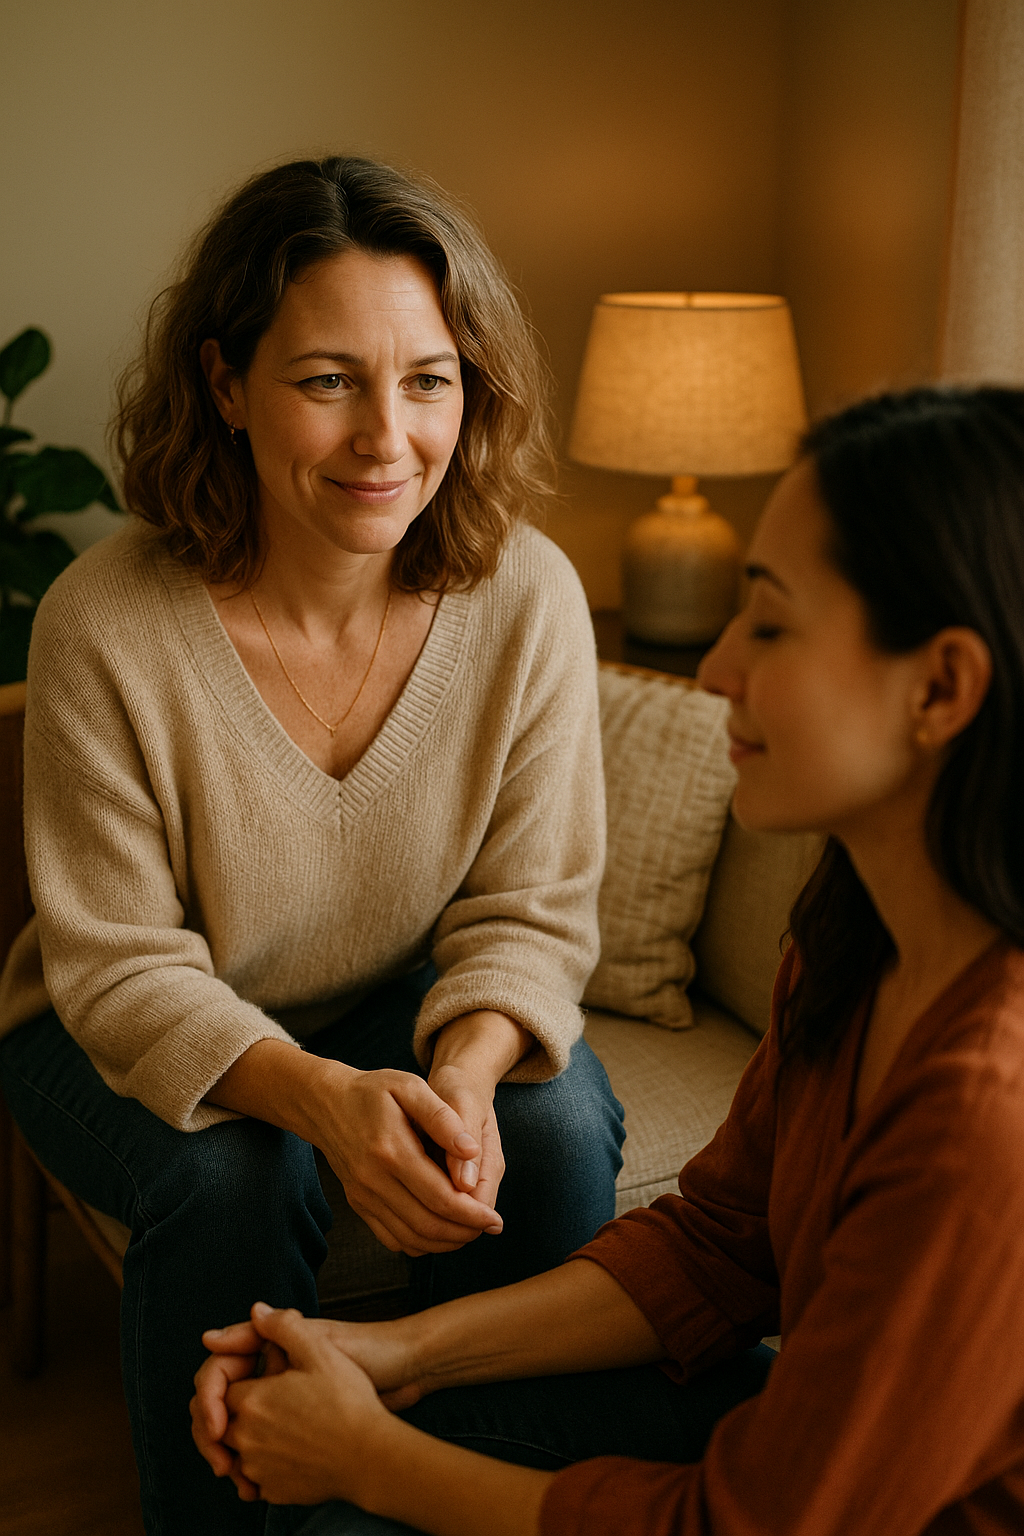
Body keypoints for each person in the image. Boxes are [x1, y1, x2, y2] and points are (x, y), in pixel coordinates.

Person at [192, 385, 1024, 1535]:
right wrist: (384, 1352)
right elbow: (719, 1248)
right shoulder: (857, 936)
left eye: (771, 624)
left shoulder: (987, 1111)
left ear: (940, 687)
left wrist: (366, 1459)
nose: (720, 664)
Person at [0, 156, 625, 1536]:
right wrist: (329, 1102)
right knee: (240, 1167)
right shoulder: (106, 620)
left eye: (429, 380)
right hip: (108, 1016)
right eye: (328, 379)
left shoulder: (526, 595)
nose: (385, 438)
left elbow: (532, 910)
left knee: (551, 1126)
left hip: (390, 997)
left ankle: (453, 1497)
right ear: (225, 385)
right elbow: (114, 967)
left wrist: (457, 1073)